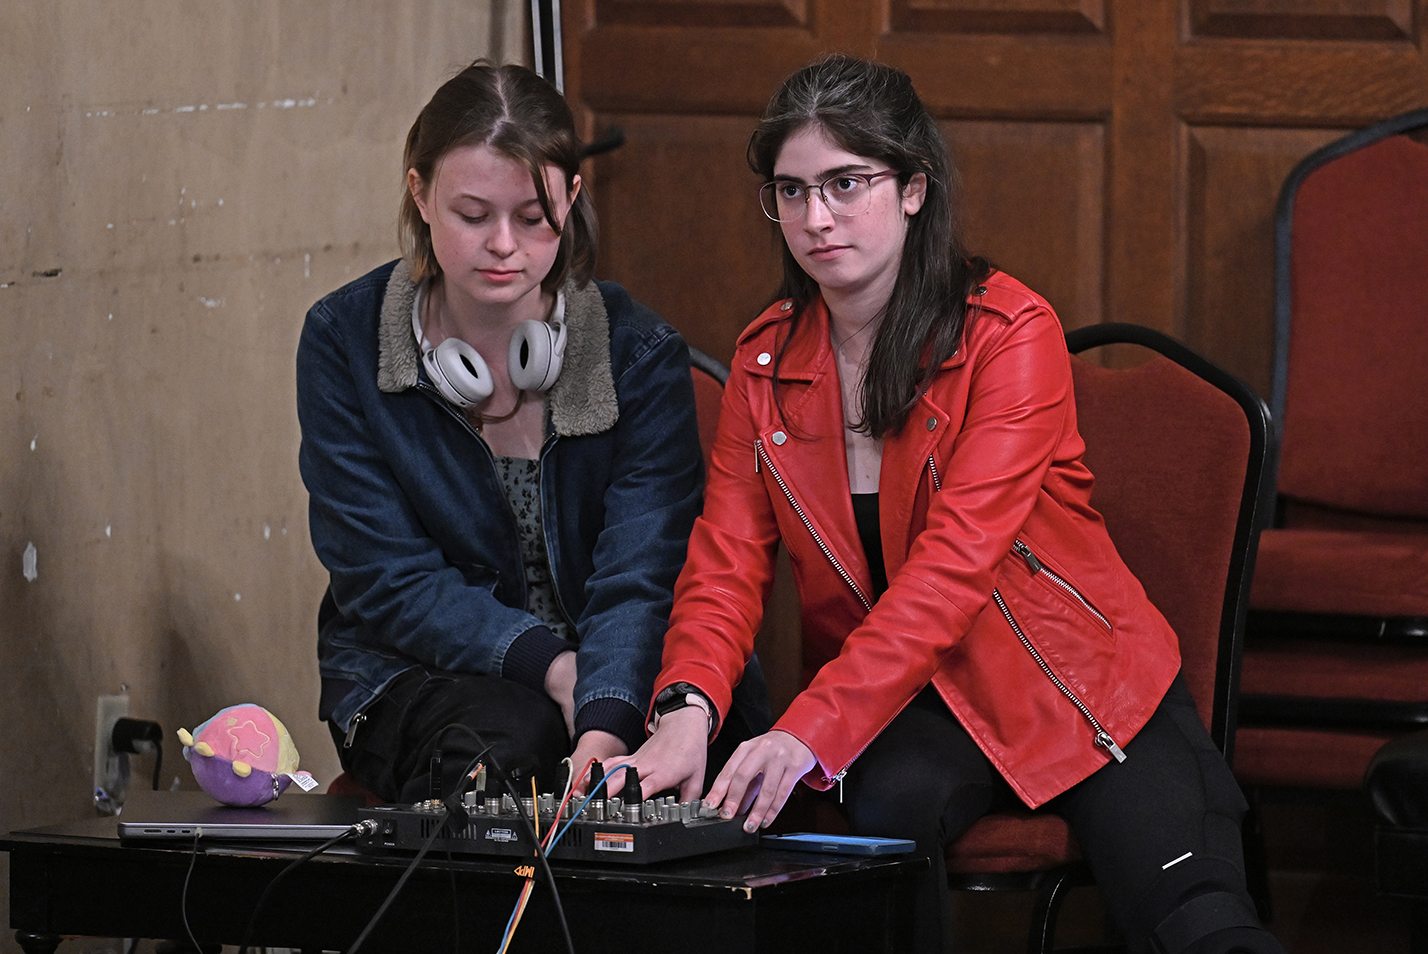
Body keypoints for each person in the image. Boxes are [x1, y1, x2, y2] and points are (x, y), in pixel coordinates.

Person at [625, 55, 1286, 954]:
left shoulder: (1009, 335)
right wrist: (686, 710)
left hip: (1079, 687)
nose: (815, 219)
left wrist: (804, 730)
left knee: (1197, 924)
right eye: (791, 191)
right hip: (907, 704)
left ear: (912, 190)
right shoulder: (765, 361)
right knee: (859, 880)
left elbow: (949, 574)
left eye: (845, 184)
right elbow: (726, 563)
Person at [297, 60, 760, 804]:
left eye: (534, 217)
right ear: (419, 192)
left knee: (719, 765)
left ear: (572, 197)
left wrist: (606, 722)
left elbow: (641, 572)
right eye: (472, 215)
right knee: (502, 748)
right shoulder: (344, 340)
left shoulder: (635, 354)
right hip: (426, 674)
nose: (504, 244)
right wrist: (550, 665)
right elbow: (383, 575)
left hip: (628, 660)